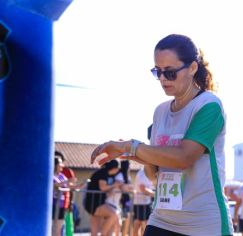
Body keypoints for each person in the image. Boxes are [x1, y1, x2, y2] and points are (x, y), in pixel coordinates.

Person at [91, 34, 234, 236]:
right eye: (157, 72)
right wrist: (128, 153)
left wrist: (130, 147)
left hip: (203, 225)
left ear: (193, 68)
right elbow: (154, 173)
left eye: (170, 72)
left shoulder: (209, 105)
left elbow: (184, 157)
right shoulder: (160, 111)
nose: (162, 79)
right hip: (162, 219)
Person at [84, 160, 121, 236]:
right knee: (114, 214)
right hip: (95, 203)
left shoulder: (105, 173)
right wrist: (114, 185)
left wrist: (110, 190)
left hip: (94, 202)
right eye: (118, 168)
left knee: (94, 231)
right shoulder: (103, 173)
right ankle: (103, 233)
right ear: (114, 168)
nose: (118, 171)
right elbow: (103, 187)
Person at [133, 168, 155, 236]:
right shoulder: (142, 174)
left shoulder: (147, 172)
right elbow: (143, 189)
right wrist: (156, 194)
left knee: (142, 224)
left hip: (145, 202)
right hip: (141, 203)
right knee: (140, 224)